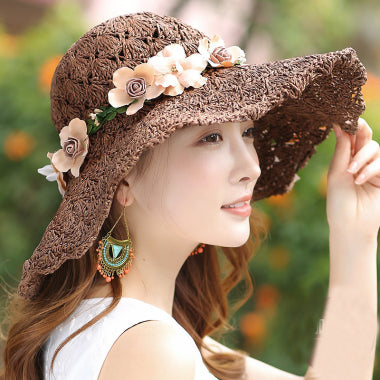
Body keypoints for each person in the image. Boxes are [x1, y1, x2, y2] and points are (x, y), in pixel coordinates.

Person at [0, 11, 379, 380]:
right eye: (210, 137)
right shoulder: (153, 349)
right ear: (123, 180)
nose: (253, 167)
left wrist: (355, 236)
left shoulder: (126, 331)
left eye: (247, 132)